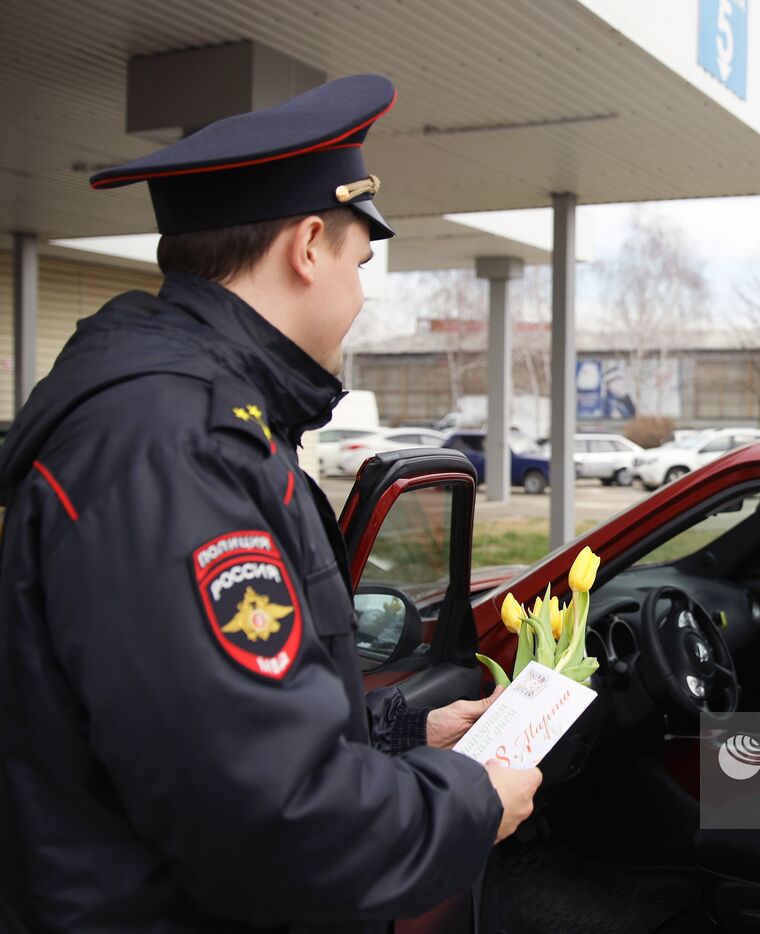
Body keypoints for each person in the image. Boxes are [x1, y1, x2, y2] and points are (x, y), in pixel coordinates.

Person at [0, 75, 540, 932]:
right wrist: (473, 797)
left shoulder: (202, 420)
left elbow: (213, 727)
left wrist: (409, 740)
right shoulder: (175, 445)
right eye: (362, 263)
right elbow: (270, 822)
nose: (362, 295)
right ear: (310, 245)